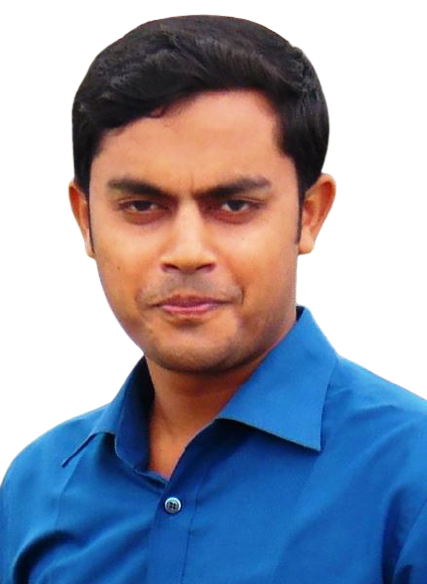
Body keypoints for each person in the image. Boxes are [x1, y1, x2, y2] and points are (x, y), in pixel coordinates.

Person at [1, 14, 426, 583]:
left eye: (233, 205)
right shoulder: (37, 490)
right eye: (142, 207)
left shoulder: (410, 476)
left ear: (309, 214)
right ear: (86, 220)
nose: (187, 251)